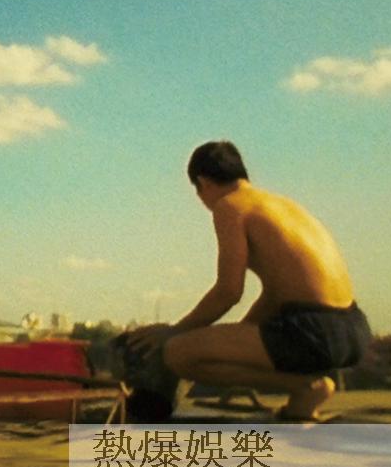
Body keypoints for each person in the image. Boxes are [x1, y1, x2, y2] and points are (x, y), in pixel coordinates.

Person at [129, 141, 370, 421]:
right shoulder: (279, 204)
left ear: (203, 183)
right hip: (352, 327)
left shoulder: (230, 206)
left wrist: (175, 331)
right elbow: (276, 294)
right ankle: (300, 408)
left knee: (177, 354)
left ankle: (307, 387)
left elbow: (229, 291)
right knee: (208, 347)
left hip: (314, 330)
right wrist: (232, 340)